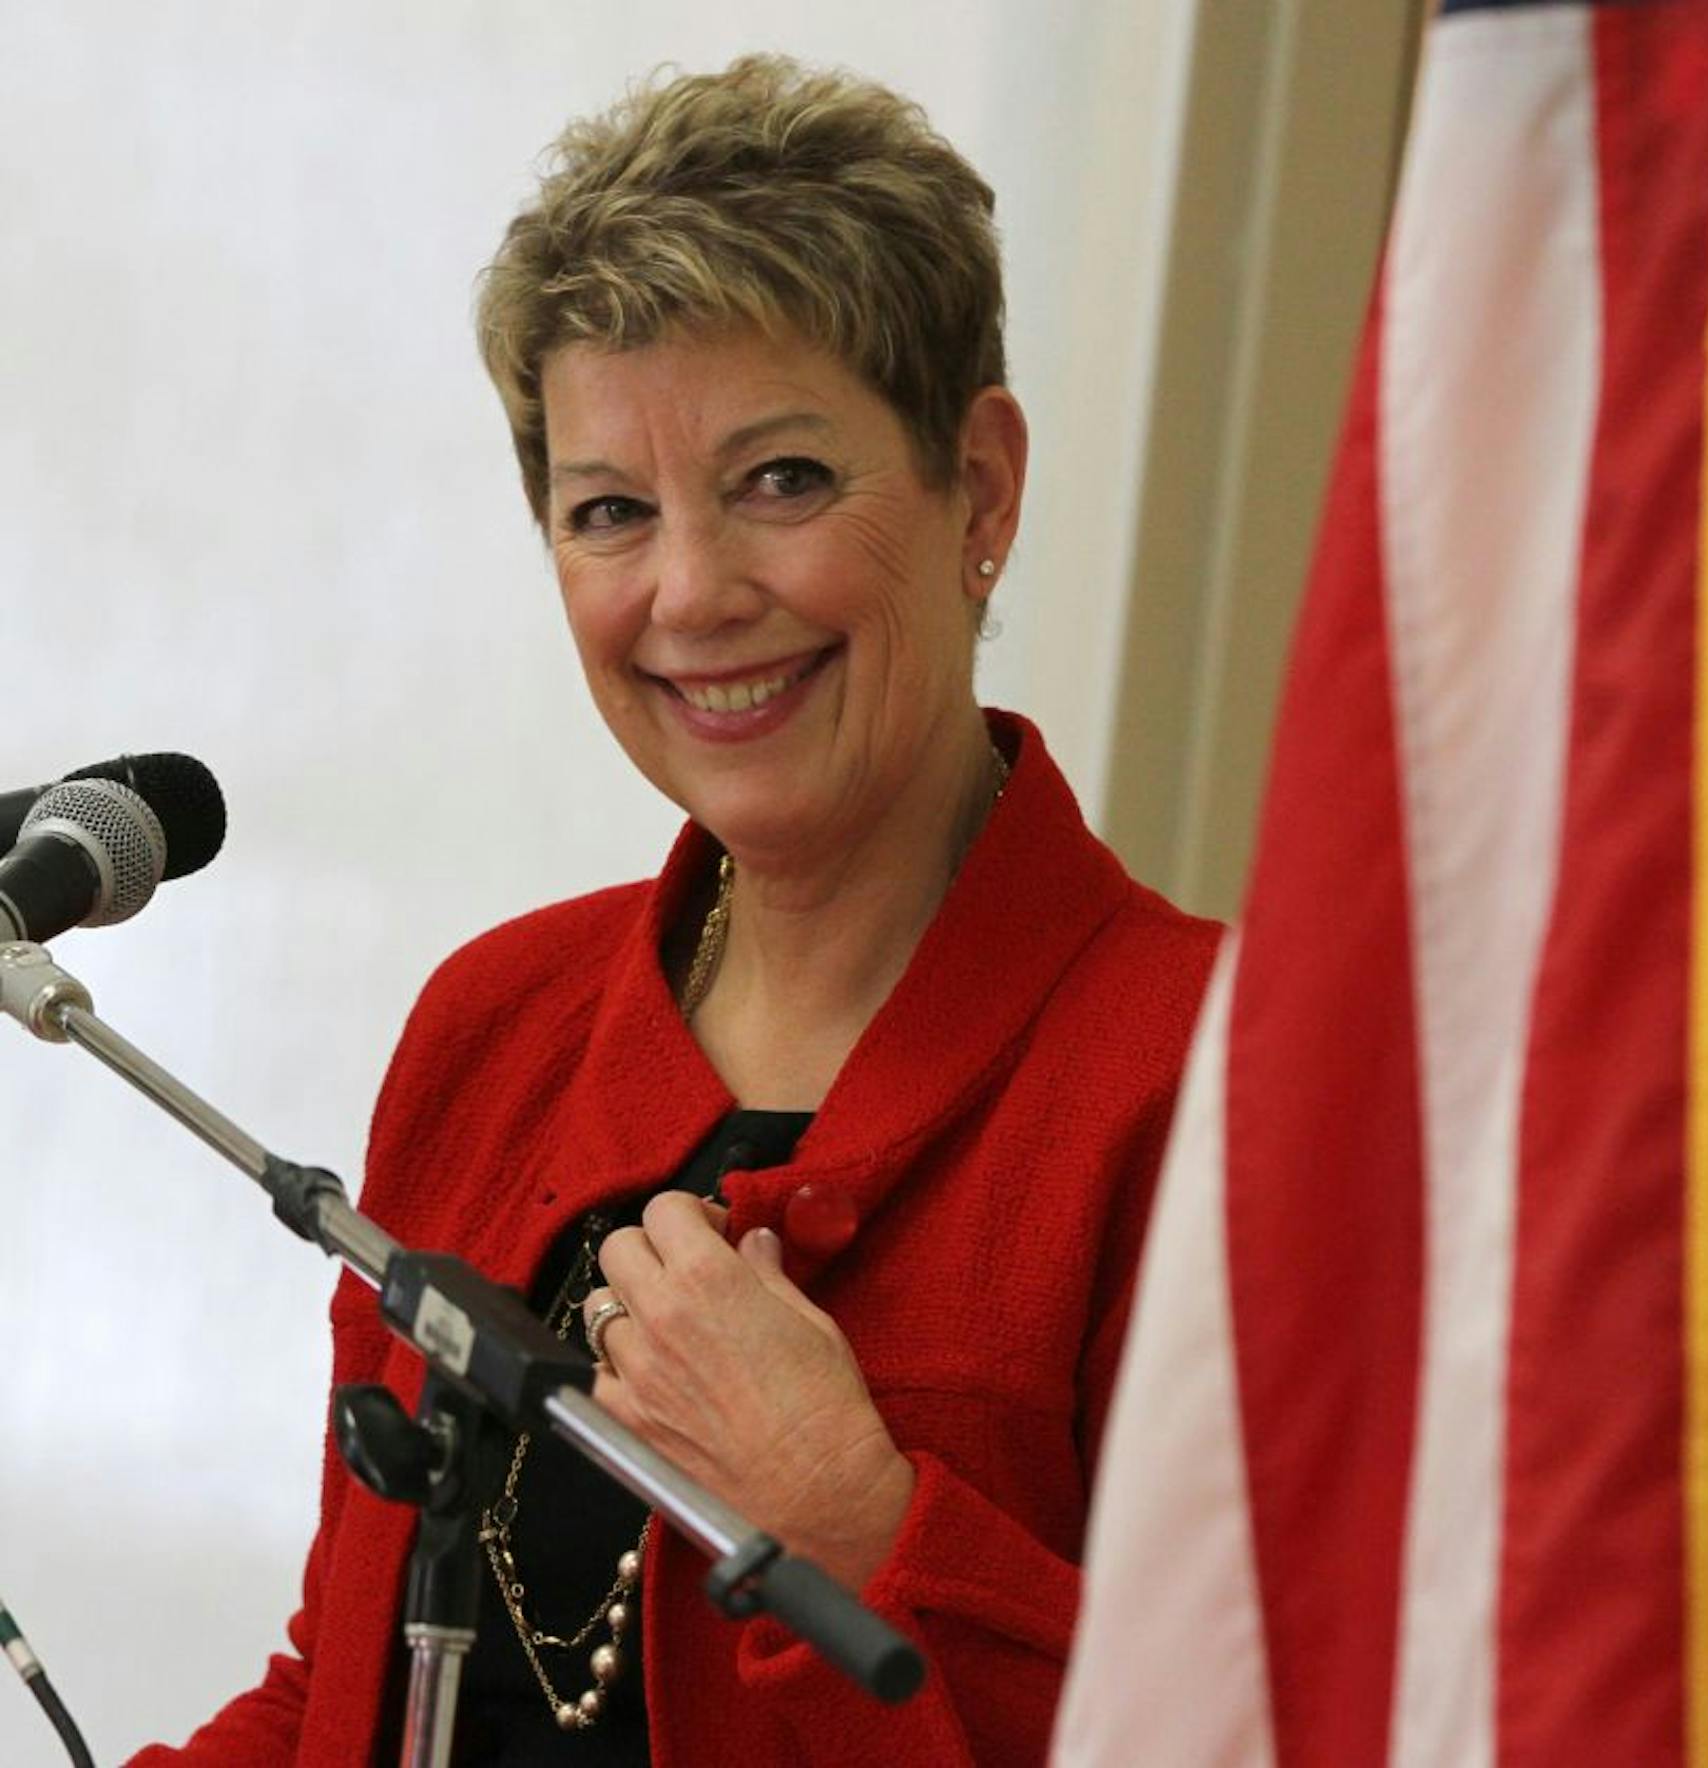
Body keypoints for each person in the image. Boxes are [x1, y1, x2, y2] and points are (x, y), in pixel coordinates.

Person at [132, 55, 1219, 1768]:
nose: (693, 595)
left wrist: (855, 1526)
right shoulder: (497, 1019)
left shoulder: (1214, 1074)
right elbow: (330, 1696)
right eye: (611, 512)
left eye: (783, 479)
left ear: (981, 492)